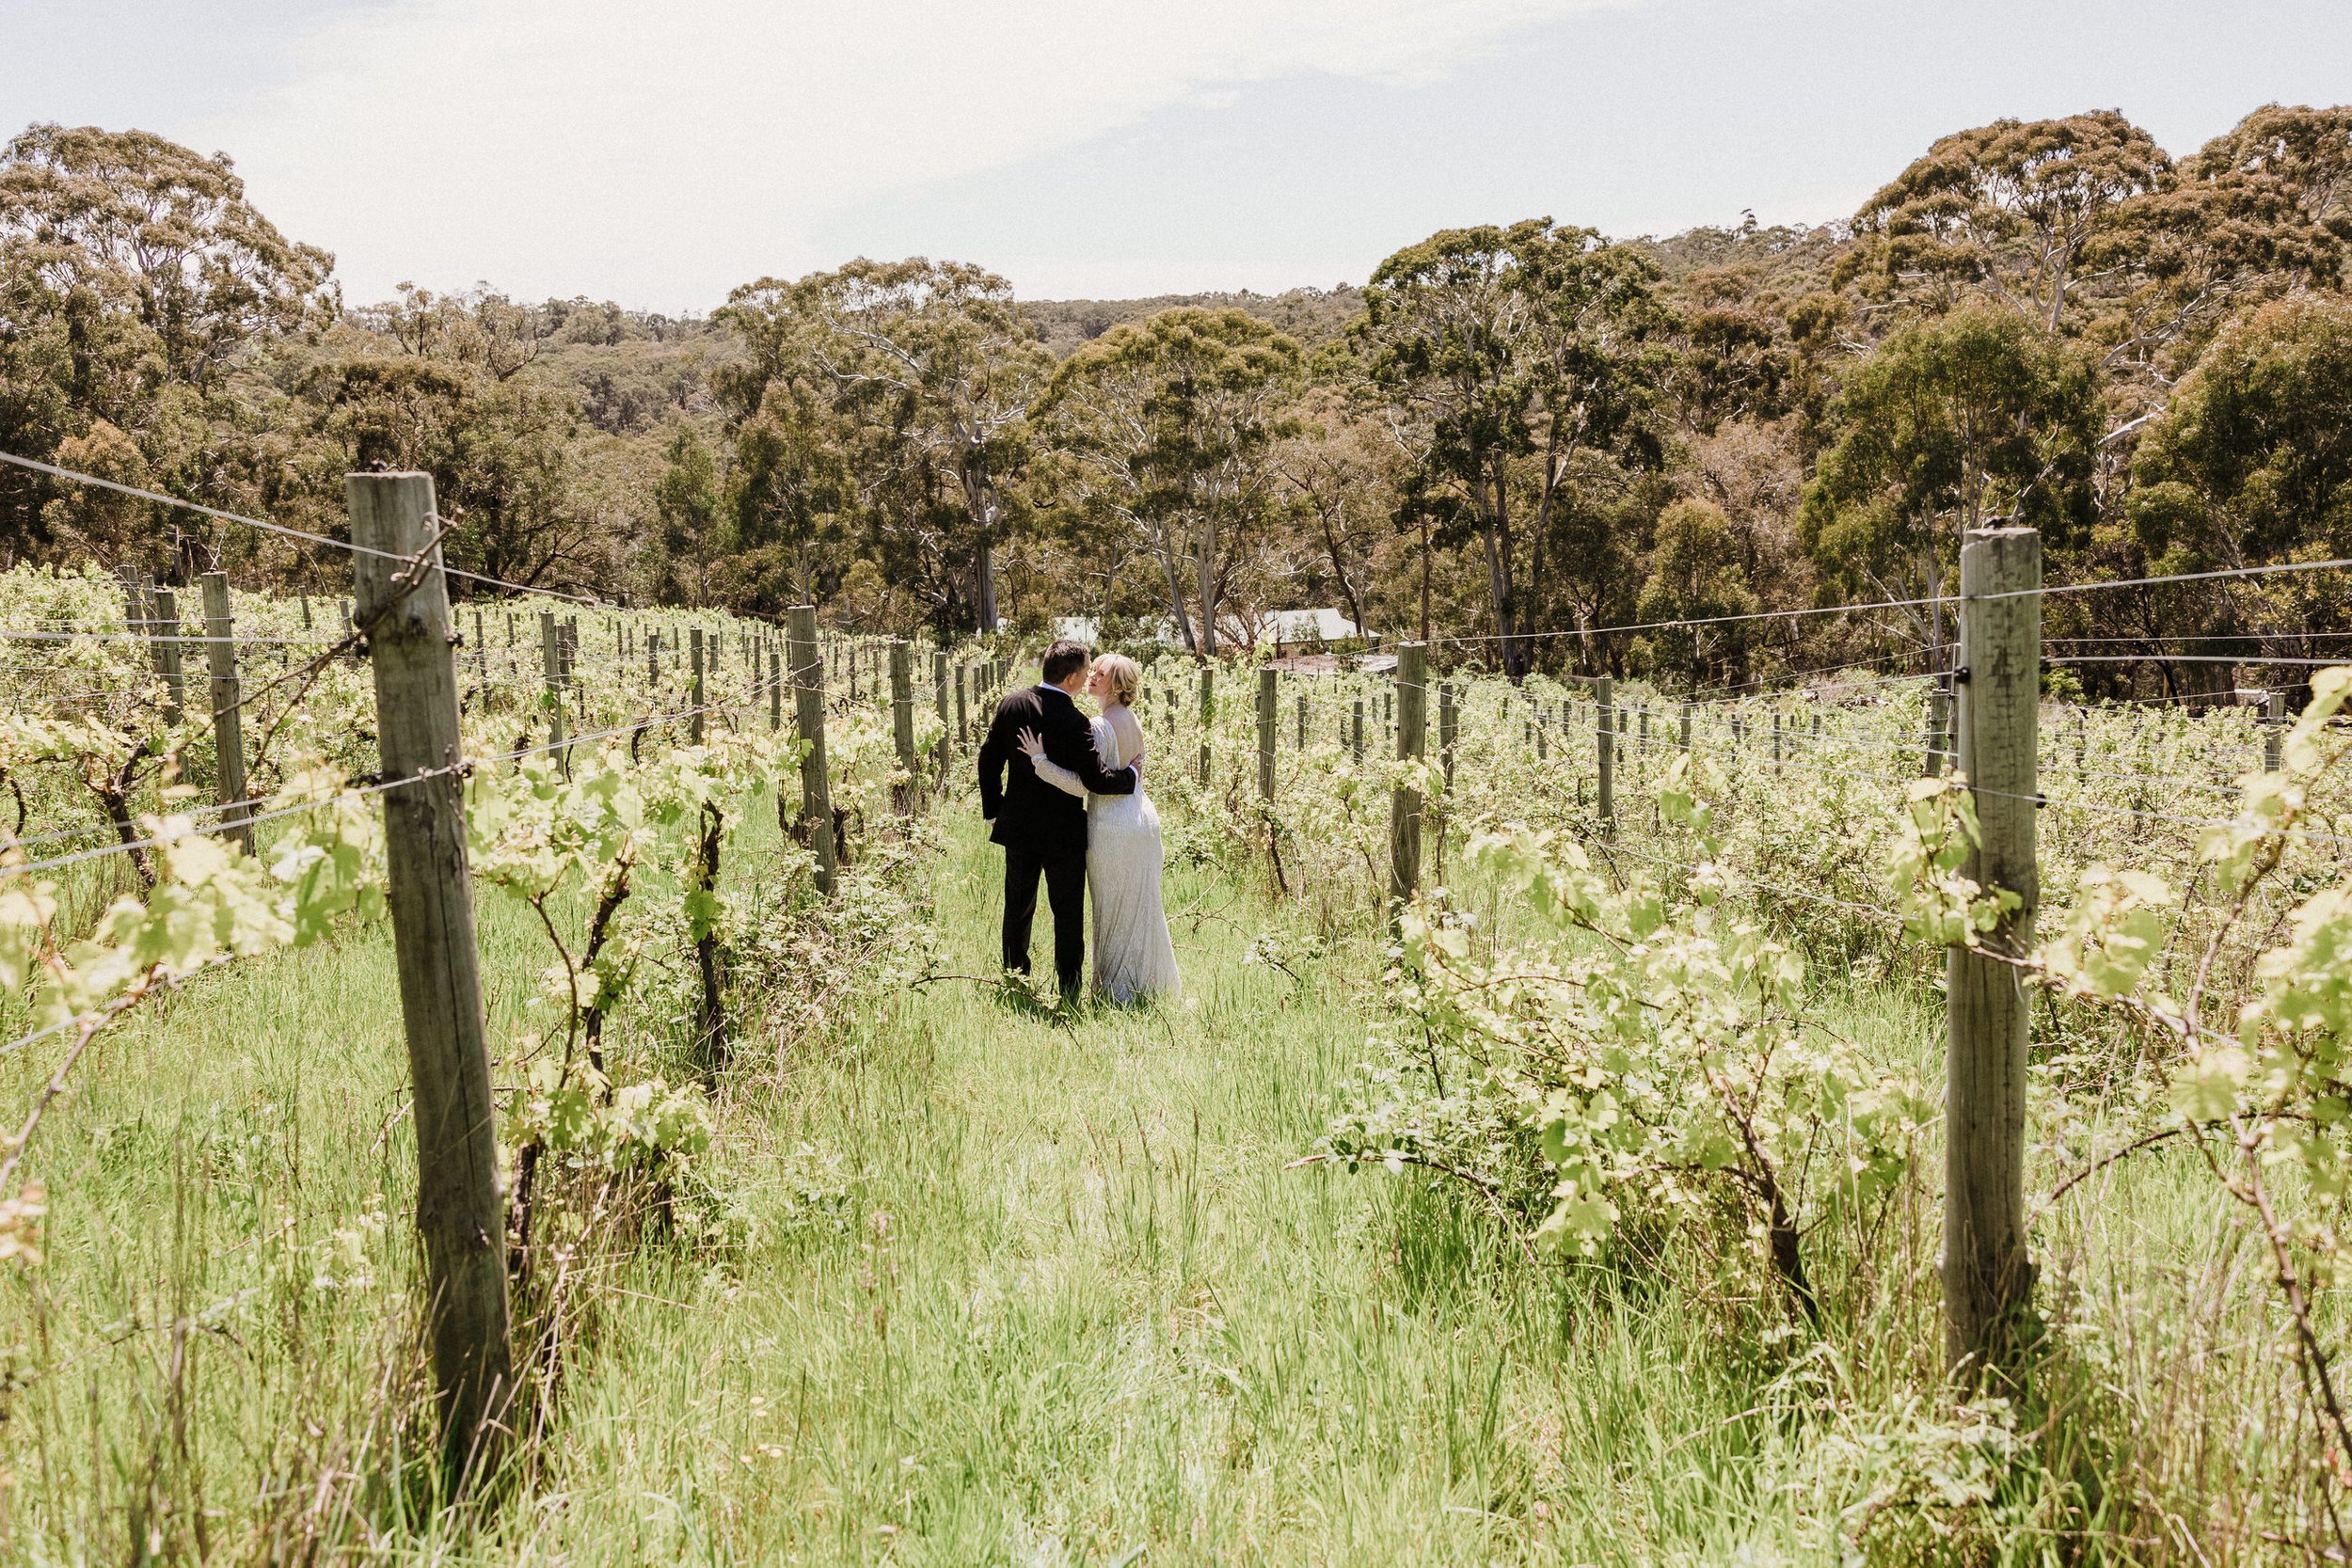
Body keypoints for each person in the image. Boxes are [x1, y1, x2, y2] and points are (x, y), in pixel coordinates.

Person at [977, 640, 1139, 998]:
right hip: (1063, 834)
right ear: (1069, 678)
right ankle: (1069, 988)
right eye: (1084, 672)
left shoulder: (1012, 705)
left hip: (1018, 825)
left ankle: (1014, 980)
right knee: (1067, 915)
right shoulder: (1074, 721)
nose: (1087, 678)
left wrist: (994, 811)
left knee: (1017, 907)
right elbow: (1095, 781)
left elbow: (988, 759)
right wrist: (1131, 777)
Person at [1015, 653, 1181, 1004]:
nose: (1091, 676)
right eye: (1092, 670)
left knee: (1112, 908)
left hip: (1111, 825)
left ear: (1117, 685)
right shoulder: (1132, 720)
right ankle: (1148, 984)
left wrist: (1040, 762)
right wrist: (1133, 776)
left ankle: (1117, 991)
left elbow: (1087, 785)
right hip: (1141, 817)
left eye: (1101, 674)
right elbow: (1133, 771)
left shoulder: (1099, 725)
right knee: (1140, 905)